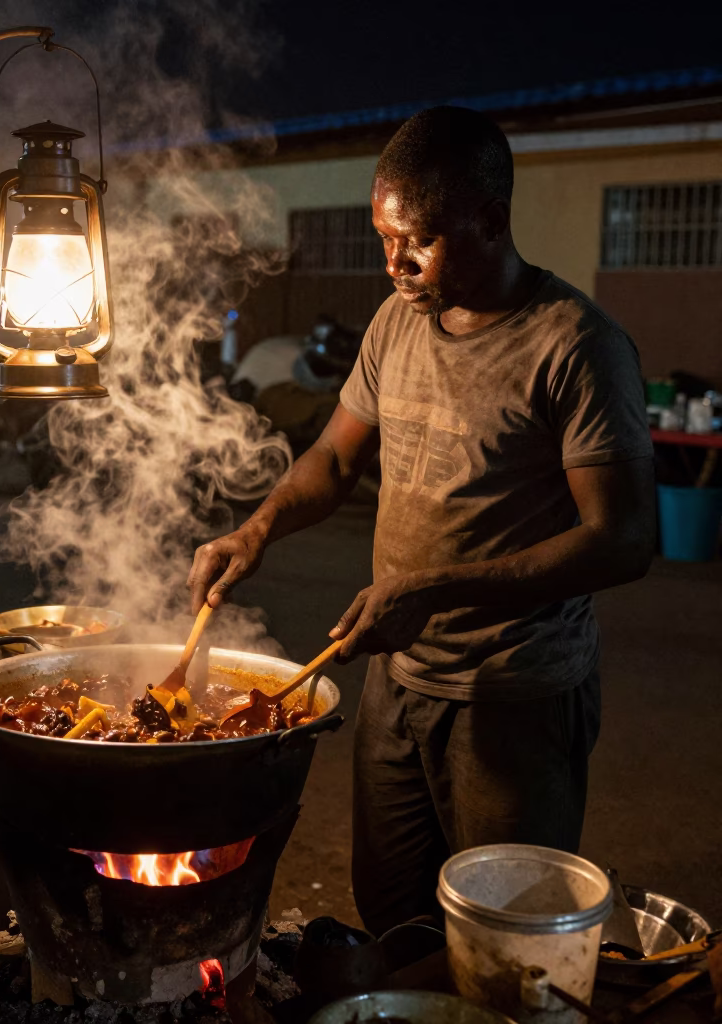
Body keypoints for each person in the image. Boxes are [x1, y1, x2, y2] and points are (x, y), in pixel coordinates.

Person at [188, 107, 655, 935]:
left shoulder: (575, 346)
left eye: (421, 241)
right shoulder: (395, 322)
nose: (396, 263)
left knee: (504, 936)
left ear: (492, 221)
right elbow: (333, 461)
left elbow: (623, 540)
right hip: (398, 687)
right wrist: (254, 531)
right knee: (395, 918)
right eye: (384, 239)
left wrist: (434, 590)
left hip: (514, 696)